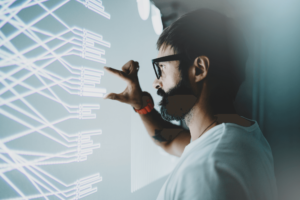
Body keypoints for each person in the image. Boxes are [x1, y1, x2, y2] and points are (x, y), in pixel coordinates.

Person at [103, 8, 277, 200]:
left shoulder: (207, 173)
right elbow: (169, 140)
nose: (156, 83)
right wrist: (140, 105)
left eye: (162, 68)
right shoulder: (242, 136)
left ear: (199, 69)